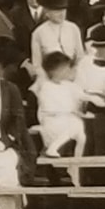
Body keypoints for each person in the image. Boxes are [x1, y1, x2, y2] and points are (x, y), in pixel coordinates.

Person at [33, 52, 89, 185]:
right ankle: (52, 147)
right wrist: (71, 111)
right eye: (65, 67)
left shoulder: (70, 86)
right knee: (75, 124)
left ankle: (75, 167)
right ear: (56, 71)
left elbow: (82, 97)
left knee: (81, 136)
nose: (68, 70)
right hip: (52, 122)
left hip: (67, 121)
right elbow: (49, 109)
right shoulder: (46, 87)